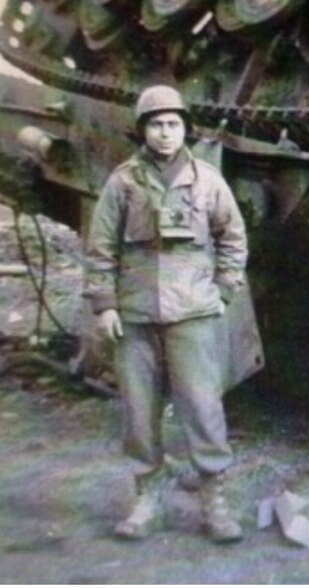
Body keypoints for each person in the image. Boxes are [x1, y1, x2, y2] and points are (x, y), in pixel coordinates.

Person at [84, 84, 263, 543]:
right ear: (143, 130)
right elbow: (100, 248)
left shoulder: (207, 181)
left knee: (203, 407)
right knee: (139, 412)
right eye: (157, 124)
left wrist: (224, 290)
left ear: (185, 128)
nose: (165, 133)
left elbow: (233, 237)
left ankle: (213, 499)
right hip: (136, 316)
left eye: (173, 124)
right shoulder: (123, 183)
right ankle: (147, 494)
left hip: (194, 314)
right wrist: (104, 306)